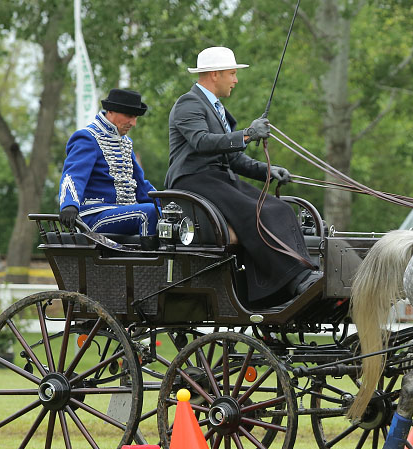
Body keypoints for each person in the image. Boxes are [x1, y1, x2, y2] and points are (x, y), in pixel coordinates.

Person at [165, 46, 320, 304]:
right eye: (232, 74)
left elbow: (234, 159)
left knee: (279, 209)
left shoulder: (218, 110)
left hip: (219, 179)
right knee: (256, 212)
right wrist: (248, 134)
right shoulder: (188, 104)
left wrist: (268, 172)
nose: (235, 80)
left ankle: (291, 279)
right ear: (215, 74)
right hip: (194, 181)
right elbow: (202, 142)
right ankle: (294, 280)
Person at [58, 89, 158, 237]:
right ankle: (145, 260)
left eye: (135, 117)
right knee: (147, 212)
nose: (133, 123)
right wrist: (69, 204)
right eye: (129, 116)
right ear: (111, 111)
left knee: (167, 214)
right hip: (93, 216)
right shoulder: (88, 137)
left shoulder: (125, 142)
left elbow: (140, 185)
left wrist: (167, 202)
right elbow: (73, 174)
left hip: (123, 214)